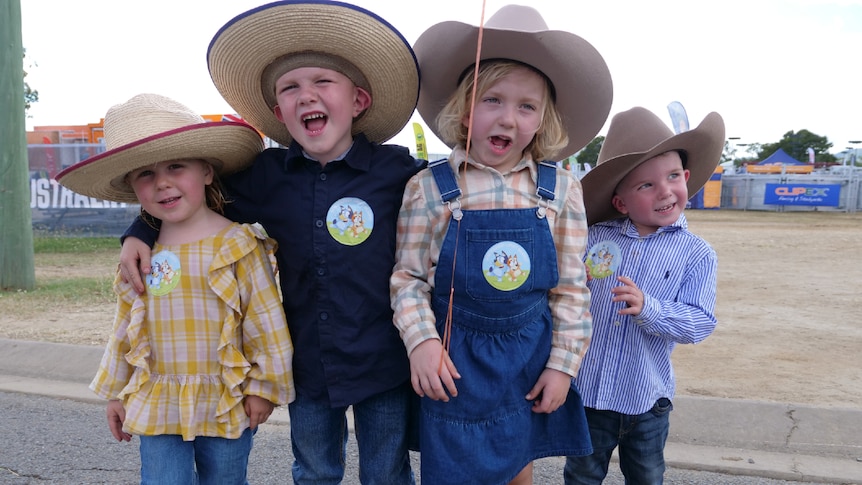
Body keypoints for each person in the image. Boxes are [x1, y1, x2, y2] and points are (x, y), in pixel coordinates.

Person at [117, 1, 423, 483]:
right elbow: (193, 202)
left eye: (323, 82)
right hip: (307, 360)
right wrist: (140, 230)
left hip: (383, 360)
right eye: (290, 88)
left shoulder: (398, 172)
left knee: (386, 472)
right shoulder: (265, 177)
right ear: (279, 112)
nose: (306, 96)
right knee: (315, 470)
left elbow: (453, 208)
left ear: (359, 101)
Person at [389, 5, 613, 484]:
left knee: (517, 469)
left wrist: (563, 366)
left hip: (527, 360)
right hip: (454, 362)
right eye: (492, 99)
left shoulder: (561, 188)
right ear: (464, 107)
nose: (507, 119)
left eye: (526, 106)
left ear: (543, 119)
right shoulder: (428, 188)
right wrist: (422, 343)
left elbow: (572, 287)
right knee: (451, 470)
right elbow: (408, 279)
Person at [55, 93, 295, 485]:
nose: (162, 182)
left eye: (176, 166)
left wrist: (264, 388)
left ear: (207, 171)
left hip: (225, 399)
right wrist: (116, 392)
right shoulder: (143, 252)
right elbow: (126, 327)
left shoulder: (238, 244)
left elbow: (265, 321)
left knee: (226, 480)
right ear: (133, 188)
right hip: (157, 398)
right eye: (145, 174)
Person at [563, 106, 725, 484]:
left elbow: (700, 322)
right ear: (620, 202)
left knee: (647, 476)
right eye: (646, 185)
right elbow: (562, 289)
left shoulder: (697, 253)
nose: (665, 190)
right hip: (588, 396)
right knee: (582, 476)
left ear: (686, 177)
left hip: (648, 400)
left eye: (672, 177)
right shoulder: (594, 238)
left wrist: (649, 308)